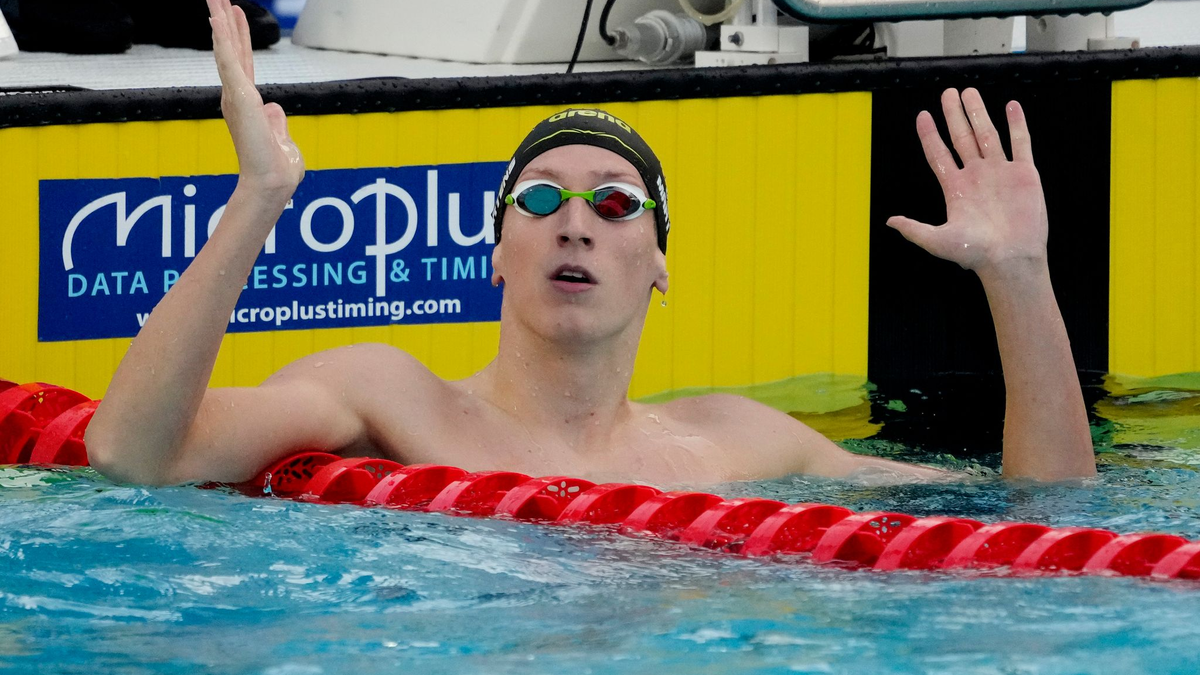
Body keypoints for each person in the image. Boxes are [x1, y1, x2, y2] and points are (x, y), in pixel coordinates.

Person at [85, 0, 1097, 487]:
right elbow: (133, 457)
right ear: (494, 253)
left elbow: (1042, 517)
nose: (576, 222)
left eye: (615, 206)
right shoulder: (386, 397)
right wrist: (258, 199)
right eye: (540, 202)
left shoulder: (739, 443)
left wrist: (1020, 278)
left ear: (660, 266)